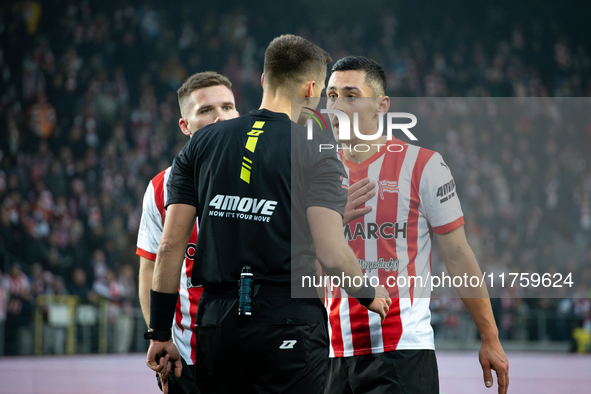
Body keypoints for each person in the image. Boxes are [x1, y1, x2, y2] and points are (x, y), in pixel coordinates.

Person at [145, 35, 391, 394]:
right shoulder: (316, 151)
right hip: (288, 320)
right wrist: (369, 293)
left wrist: (160, 332)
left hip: (217, 322)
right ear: (311, 89)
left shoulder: (200, 144)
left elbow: (169, 246)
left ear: (264, 80)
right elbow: (330, 250)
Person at [322, 56, 509, 394]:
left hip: (403, 352)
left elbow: (457, 254)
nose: (336, 105)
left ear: (381, 105)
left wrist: (490, 336)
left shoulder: (424, 165)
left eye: (351, 95)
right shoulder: (313, 172)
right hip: (332, 353)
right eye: (331, 95)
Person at [137, 71, 239, 393]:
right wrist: (160, 335)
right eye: (206, 110)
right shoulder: (159, 190)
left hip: (252, 350)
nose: (220, 117)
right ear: (186, 126)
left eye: (228, 107)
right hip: (186, 357)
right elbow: (150, 268)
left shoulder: (267, 173)